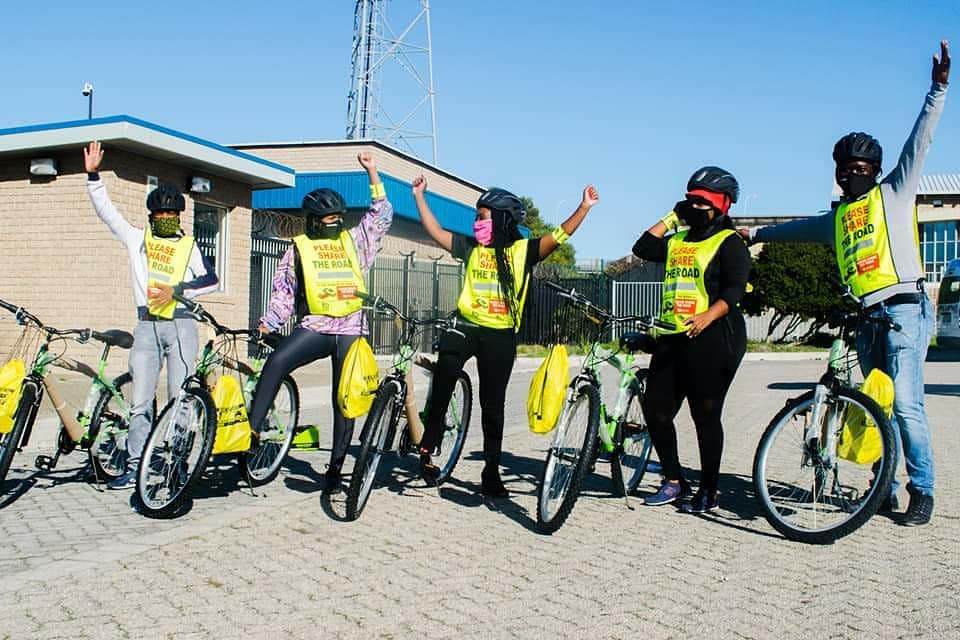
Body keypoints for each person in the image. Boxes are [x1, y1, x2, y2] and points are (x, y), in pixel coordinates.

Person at [743, 40, 950, 526]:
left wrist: (937, 91)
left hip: (903, 311)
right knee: (876, 404)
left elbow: (918, 143)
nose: (852, 175)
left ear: (874, 172)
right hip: (867, 316)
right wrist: (754, 234)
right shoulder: (838, 219)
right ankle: (884, 487)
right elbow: (797, 230)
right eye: (845, 170)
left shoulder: (895, 194)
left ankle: (922, 491)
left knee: (905, 406)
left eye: (860, 169)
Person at [412, 176, 599, 496]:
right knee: (444, 376)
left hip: (499, 336)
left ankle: (491, 472)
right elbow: (434, 231)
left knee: (492, 406)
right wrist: (418, 197)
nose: (477, 222)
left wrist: (583, 207)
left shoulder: (522, 251)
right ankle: (429, 443)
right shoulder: (470, 247)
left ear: (500, 220)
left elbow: (560, 235)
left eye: (482, 217)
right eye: (476, 216)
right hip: (466, 325)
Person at [250, 153, 392, 495]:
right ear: (312, 221)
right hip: (315, 327)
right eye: (326, 218)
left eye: (337, 218)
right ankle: (251, 432)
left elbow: (382, 214)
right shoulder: (297, 249)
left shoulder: (355, 242)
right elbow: (284, 292)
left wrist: (372, 172)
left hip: (352, 332)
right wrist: (269, 322)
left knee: (344, 400)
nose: (333, 222)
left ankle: (336, 468)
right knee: (278, 361)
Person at [83, 141, 219, 490]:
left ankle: (177, 465)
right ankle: (133, 466)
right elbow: (107, 213)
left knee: (181, 398)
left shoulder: (189, 246)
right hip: (146, 326)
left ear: (179, 217)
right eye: (159, 215)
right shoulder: (137, 239)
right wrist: (93, 176)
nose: (165, 219)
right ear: (151, 216)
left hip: (181, 326)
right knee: (140, 401)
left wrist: (179, 290)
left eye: (171, 215)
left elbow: (211, 280)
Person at [633, 167, 750, 513]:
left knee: (705, 414)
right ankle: (674, 480)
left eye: (703, 202)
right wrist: (672, 217)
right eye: (691, 201)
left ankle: (710, 490)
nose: (696, 208)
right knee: (656, 411)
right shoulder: (677, 241)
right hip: (673, 334)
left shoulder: (730, 243)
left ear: (722, 206)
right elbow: (642, 247)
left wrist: (706, 316)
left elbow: (734, 290)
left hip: (715, 337)